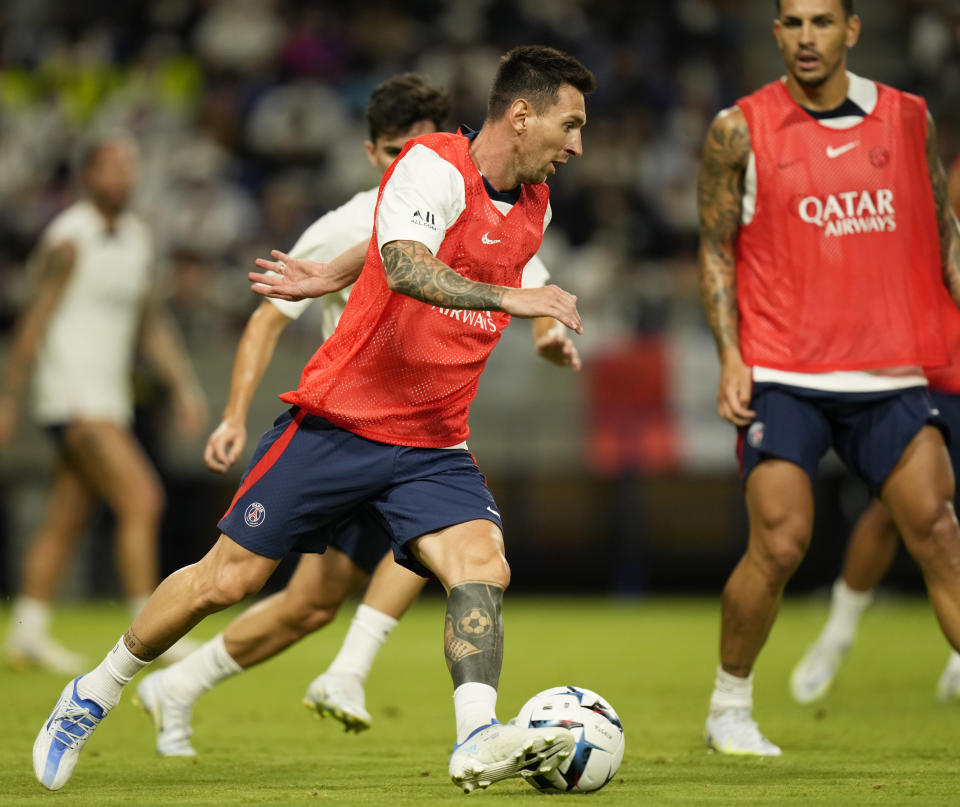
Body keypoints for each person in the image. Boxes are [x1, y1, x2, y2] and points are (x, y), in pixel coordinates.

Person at [33, 45, 595, 794]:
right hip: (341, 422)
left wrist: (335, 271)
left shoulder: (534, 202)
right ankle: (92, 693)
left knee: (482, 566)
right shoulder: (431, 162)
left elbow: (412, 249)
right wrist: (511, 300)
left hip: (433, 441)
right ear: (521, 115)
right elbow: (403, 260)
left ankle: (476, 736)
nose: (578, 144)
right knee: (225, 580)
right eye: (570, 123)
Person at [697, 0, 960, 756]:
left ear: (852, 28)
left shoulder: (911, 119)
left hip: (889, 369)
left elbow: (943, 232)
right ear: (776, 32)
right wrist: (730, 354)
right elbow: (714, 247)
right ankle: (729, 706)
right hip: (784, 369)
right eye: (791, 22)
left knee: (939, 532)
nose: (805, 36)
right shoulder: (737, 129)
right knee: (781, 543)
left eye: (821, 21)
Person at [0, 131, 207, 675]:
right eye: (110, 168)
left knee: (67, 514)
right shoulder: (68, 239)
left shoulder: (138, 237)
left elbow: (149, 323)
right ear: (88, 176)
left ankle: (26, 631)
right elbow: (31, 323)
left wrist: (183, 383)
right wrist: (9, 398)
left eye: (128, 167)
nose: (122, 177)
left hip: (108, 398)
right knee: (143, 498)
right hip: (70, 395)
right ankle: (150, 627)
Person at [789, 156, 960, 702]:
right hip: (932, 373)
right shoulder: (917, 193)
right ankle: (838, 632)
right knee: (898, 510)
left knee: (937, 526)